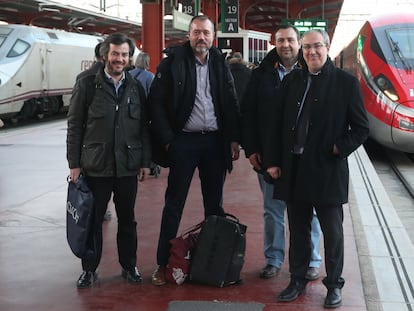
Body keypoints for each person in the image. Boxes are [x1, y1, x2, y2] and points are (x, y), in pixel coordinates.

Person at [264, 29, 369, 308]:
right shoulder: (292, 81)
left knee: (332, 234)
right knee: (297, 230)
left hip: (327, 170)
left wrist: (336, 149)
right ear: (302, 49)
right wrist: (273, 161)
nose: (312, 52)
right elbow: (275, 125)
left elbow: (361, 129)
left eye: (317, 46)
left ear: (327, 47)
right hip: (294, 169)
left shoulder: (346, 83)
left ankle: (334, 285)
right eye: (307, 47)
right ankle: (297, 280)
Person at [148, 15, 241, 286]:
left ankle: (214, 264)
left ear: (214, 37)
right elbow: (155, 103)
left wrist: (234, 138)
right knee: (173, 204)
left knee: (215, 206)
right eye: (197, 33)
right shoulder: (172, 64)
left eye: (206, 33)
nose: (202, 38)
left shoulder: (220, 65)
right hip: (184, 142)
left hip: (214, 142)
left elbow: (231, 102)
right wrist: (168, 141)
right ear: (189, 35)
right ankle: (162, 264)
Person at [66, 33, 151, 289]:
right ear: (105, 54)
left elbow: (144, 128)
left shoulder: (135, 87)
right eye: (115, 54)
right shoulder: (88, 83)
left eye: (124, 55)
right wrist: (74, 164)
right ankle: (89, 269)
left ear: (129, 57)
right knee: (92, 220)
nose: (119, 59)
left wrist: (145, 161)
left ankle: (129, 266)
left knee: (128, 219)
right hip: (96, 165)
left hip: (127, 165)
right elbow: (75, 125)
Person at [241, 25, 322, 280]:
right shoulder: (261, 73)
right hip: (269, 154)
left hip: (303, 155)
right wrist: (251, 148)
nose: (285, 45)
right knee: (272, 209)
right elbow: (248, 113)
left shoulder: (312, 70)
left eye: (290, 40)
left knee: (310, 209)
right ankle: (273, 259)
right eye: (280, 40)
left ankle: (311, 259)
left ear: (298, 43)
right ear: (274, 44)